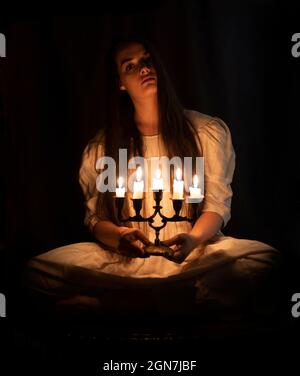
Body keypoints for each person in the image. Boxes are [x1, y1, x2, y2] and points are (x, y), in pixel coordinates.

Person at [25, 37, 280, 318]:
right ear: (120, 83)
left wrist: (193, 239)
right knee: (35, 272)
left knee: (268, 262)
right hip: (128, 259)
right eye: (130, 66)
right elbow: (96, 219)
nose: (144, 68)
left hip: (192, 257)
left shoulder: (205, 132)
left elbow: (217, 206)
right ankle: (170, 298)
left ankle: (122, 303)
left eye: (147, 60)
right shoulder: (103, 147)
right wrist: (120, 237)